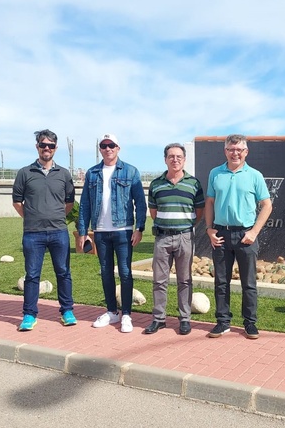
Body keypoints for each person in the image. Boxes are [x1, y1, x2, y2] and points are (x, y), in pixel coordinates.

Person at [204, 134, 272, 339]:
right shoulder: (215, 173)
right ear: (225, 151)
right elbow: (209, 202)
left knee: (248, 283)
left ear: (246, 152)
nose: (235, 153)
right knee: (221, 282)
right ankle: (223, 322)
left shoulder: (255, 175)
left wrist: (254, 232)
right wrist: (209, 229)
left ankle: (250, 323)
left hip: (246, 235)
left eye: (239, 150)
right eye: (231, 149)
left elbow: (267, 205)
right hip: (221, 234)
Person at [77, 133, 146, 333]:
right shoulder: (92, 173)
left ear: (118, 148)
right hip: (101, 232)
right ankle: (111, 311)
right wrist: (83, 232)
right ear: (100, 149)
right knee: (106, 272)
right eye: (104, 145)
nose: (108, 149)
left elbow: (140, 203)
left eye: (111, 145)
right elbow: (85, 206)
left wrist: (139, 228)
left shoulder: (131, 172)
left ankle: (126, 314)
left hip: (123, 230)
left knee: (125, 273)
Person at [12, 129, 77, 331]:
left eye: (50, 145)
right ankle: (29, 315)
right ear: (37, 147)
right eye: (43, 145)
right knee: (32, 275)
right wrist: (33, 217)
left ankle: (67, 310)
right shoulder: (25, 173)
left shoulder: (64, 174)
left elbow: (69, 202)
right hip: (33, 233)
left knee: (63, 272)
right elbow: (17, 202)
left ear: (56, 148)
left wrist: (55, 217)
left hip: (58, 231)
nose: (46, 148)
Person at [145, 144, 205, 335]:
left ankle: (185, 319)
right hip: (162, 238)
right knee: (159, 280)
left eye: (179, 156)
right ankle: (159, 319)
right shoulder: (156, 184)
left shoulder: (193, 184)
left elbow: (199, 212)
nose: (175, 159)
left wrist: (183, 227)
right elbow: (154, 213)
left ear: (184, 159)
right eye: (171, 156)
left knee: (185, 280)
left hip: (184, 237)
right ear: (165, 159)